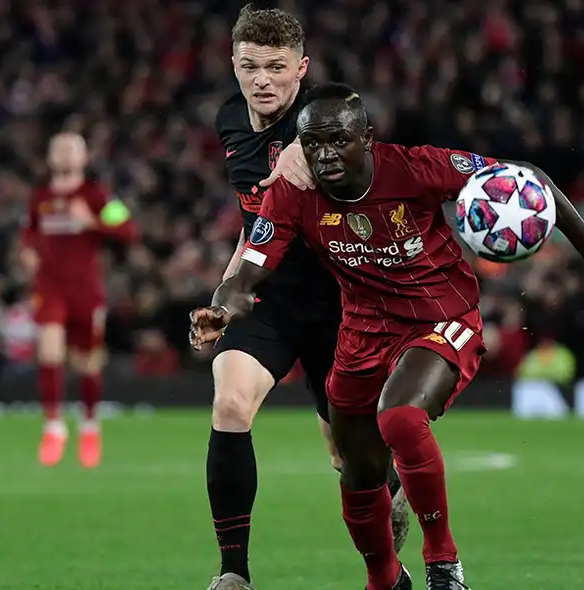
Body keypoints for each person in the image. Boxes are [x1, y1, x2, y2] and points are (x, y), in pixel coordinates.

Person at [190, 83, 584, 590]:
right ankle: (384, 579)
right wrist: (222, 310)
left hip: (440, 318)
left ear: (368, 138)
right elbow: (248, 273)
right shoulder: (292, 193)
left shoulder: (418, 167)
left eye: (339, 140)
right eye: (313, 144)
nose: (326, 154)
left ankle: (444, 565)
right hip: (360, 332)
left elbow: (526, 178)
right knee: (358, 471)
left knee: (400, 417)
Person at [206, 7, 407, 590]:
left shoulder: (324, 119)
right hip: (269, 301)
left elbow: (350, 111)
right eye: (250, 66)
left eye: (276, 67)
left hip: (340, 309)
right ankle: (233, 575)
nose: (262, 79)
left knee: (353, 463)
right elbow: (253, 224)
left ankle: (391, 573)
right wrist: (226, 294)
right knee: (230, 404)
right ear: (234, 65)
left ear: (301, 69)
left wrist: (313, 144)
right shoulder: (229, 121)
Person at [20, 132, 138, 468]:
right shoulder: (40, 197)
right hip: (50, 286)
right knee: (50, 349)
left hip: (86, 289)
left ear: (84, 157)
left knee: (88, 362)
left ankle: (89, 426)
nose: (66, 153)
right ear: (50, 156)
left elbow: (128, 230)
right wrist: (27, 251)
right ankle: (54, 426)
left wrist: (93, 222)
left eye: (73, 148)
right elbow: (28, 231)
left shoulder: (97, 196)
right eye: (59, 147)